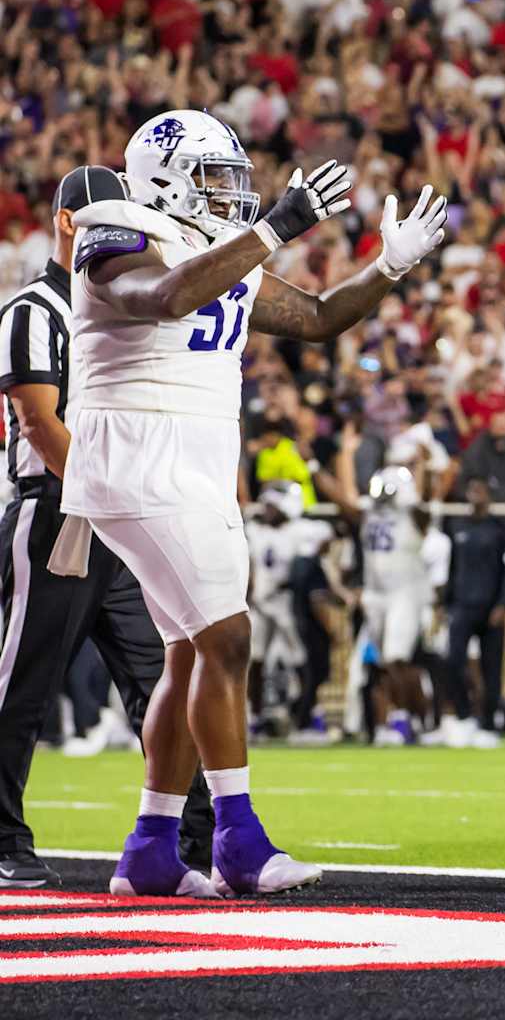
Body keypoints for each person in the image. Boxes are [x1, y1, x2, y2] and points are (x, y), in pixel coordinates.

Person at [68, 110, 446, 898]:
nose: (229, 196)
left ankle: (150, 851)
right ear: (163, 178)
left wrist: (388, 269)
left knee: (190, 651)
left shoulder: (225, 252)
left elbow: (313, 317)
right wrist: (275, 228)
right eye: (212, 178)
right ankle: (239, 841)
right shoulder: (117, 227)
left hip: (195, 460)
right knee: (231, 639)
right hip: (141, 454)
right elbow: (166, 296)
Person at [0, 166, 210, 890]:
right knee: (23, 684)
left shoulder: (125, 303)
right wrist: (101, 489)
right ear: (67, 223)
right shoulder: (33, 307)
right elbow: (37, 417)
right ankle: (3, 838)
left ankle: (192, 841)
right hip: (58, 510)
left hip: (123, 512)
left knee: (163, 679)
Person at [351, 466, 436, 745]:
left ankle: (411, 718)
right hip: (377, 595)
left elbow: (424, 515)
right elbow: (346, 504)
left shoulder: (412, 513)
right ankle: (405, 719)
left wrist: (411, 493)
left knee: (396, 659)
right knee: (381, 664)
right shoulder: (370, 512)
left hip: (404, 593)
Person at [441, 476, 505, 745]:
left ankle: (487, 724)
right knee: (453, 660)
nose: (476, 495)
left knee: (491, 668)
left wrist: (503, 604)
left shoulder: (501, 529)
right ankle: (463, 715)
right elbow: (452, 567)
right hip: (462, 604)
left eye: (481, 490)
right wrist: (446, 603)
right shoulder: (457, 526)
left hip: (490, 607)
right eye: (472, 490)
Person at [244, 480, 307, 733]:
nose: (268, 510)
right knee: (254, 659)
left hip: (287, 603)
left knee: (299, 659)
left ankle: (306, 711)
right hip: (261, 603)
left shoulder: (301, 531)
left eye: (273, 506)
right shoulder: (256, 531)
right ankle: (253, 713)